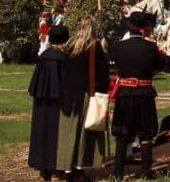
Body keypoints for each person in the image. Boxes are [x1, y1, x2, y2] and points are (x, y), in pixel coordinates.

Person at [110, 11, 162, 180]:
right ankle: (146, 172)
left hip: (125, 93)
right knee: (146, 134)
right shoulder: (151, 47)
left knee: (122, 134)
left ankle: (118, 174)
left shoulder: (117, 46)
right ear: (142, 28)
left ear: (129, 26)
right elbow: (158, 66)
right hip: (144, 93)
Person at [56, 15, 109, 181]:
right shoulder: (94, 47)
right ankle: (78, 169)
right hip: (86, 94)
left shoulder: (69, 45)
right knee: (83, 134)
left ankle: (66, 168)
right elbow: (102, 74)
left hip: (68, 94)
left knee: (68, 132)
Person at [28, 24, 69, 181]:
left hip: (41, 101)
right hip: (57, 101)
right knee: (55, 134)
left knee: (42, 132)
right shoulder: (63, 58)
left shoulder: (43, 57)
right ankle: (55, 167)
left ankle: (43, 167)